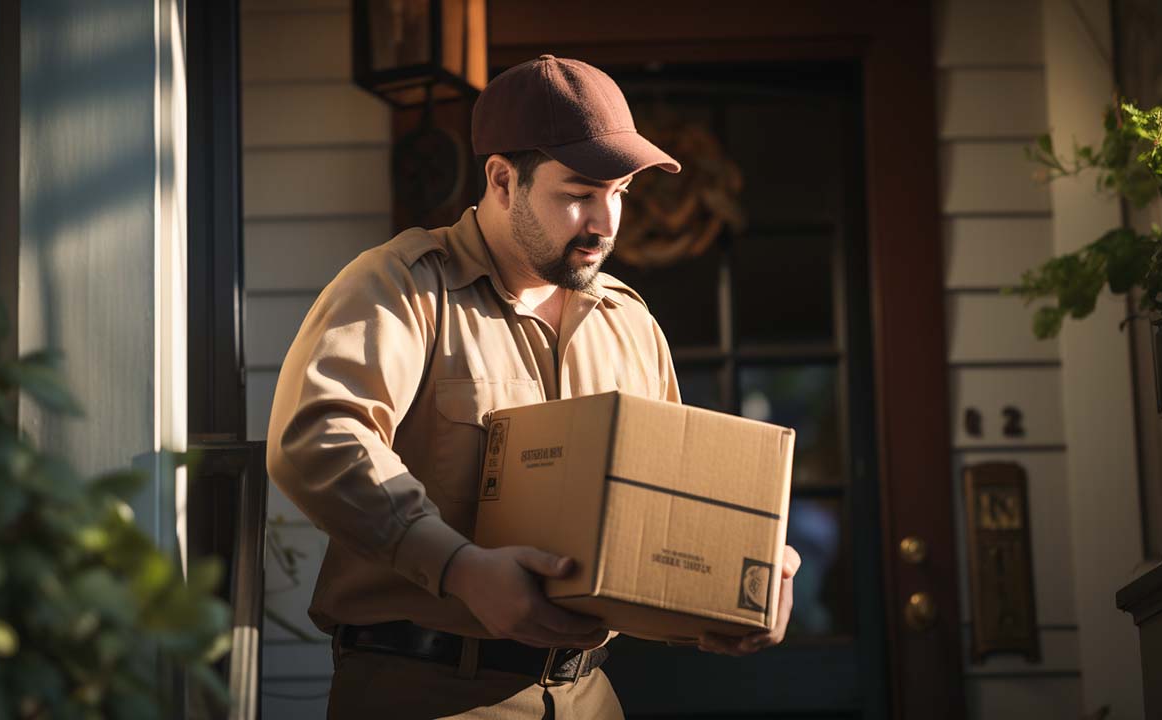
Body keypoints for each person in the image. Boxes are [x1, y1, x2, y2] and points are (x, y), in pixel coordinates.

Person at [266, 54, 802, 719]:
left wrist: (729, 588)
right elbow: (317, 437)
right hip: (426, 691)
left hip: (591, 696)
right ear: (501, 179)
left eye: (621, 191)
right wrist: (459, 567)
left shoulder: (629, 323)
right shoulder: (402, 287)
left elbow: (659, 511)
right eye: (579, 190)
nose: (606, 221)